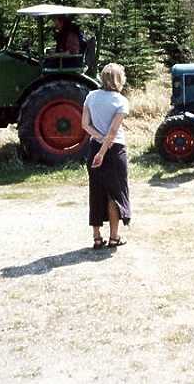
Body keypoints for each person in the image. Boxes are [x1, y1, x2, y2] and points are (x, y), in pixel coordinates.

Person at [81, 63, 131, 249]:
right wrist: (103, 152)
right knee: (114, 195)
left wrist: (99, 140)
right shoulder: (121, 101)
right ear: (119, 79)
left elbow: (85, 124)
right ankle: (114, 237)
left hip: (94, 147)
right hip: (115, 151)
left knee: (96, 192)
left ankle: (96, 237)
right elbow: (113, 132)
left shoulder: (91, 96)